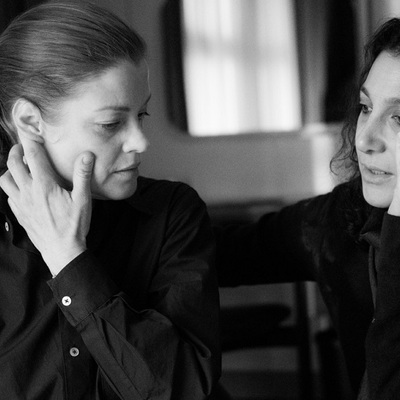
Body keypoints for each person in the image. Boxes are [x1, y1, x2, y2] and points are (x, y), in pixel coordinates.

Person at [0, 1, 220, 399]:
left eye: (142, 115)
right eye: (111, 123)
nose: (140, 141)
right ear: (31, 122)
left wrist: (68, 259)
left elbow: (184, 389)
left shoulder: (172, 213)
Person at [215, 18, 400, 400]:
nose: (364, 139)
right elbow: (217, 252)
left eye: (399, 118)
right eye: (366, 107)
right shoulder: (341, 220)